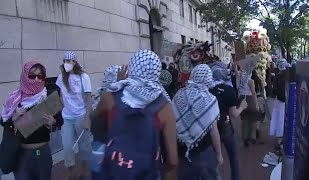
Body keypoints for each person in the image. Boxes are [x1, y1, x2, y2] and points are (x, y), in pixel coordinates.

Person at [94, 50, 178, 180]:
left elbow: (95, 126)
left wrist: (119, 84)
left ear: (132, 67)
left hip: (114, 171)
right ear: (157, 71)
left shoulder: (109, 97)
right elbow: (173, 161)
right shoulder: (165, 106)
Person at [0, 61, 61, 180]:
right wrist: (14, 116)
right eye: (33, 76)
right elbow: (3, 121)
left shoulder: (48, 95)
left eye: (40, 76)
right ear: (25, 76)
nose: (37, 79)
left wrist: (54, 121)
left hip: (43, 152)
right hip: (21, 154)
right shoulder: (15, 98)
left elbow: (60, 120)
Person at [173, 64, 223, 180]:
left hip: (182, 151)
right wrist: (219, 155)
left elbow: (173, 123)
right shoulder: (210, 100)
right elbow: (214, 131)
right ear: (208, 78)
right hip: (204, 152)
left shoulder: (179, 95)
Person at [56, 51, 93, 180]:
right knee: (67, 148)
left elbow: (89, 98)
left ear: (74, 62)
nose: (66, 63)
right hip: (67, 117)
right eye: (64, 61)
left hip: (81, 115)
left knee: (84, 147)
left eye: (69, 61)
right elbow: (60, 96)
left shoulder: (84, 77)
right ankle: (70, 175)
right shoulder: (61, 77)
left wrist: (88, 118)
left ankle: (84, 171)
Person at [209, 61, 247, 180]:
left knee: (213, 158)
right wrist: (242, 107)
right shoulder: (228, 90)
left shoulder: (206, 90)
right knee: (233, 157)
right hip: (225, 126)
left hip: (210, 127)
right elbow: (234, 114)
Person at [270, 59, 290, 150]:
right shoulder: (288, 75)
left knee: (278, 119)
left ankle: (279, 140)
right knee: (283, 119)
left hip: (279, 101)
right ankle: (282, 140)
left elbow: (274, 90)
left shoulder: (278, 75)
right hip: (285, 101)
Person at [238, 69, 259, 147]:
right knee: (253, 119)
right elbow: (253, 93)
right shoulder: (251, 81)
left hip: (242, 98)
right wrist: (256, 104)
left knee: (244, 119)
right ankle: (252, 137)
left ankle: (245, 137)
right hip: (250, 99)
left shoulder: (241, 79)